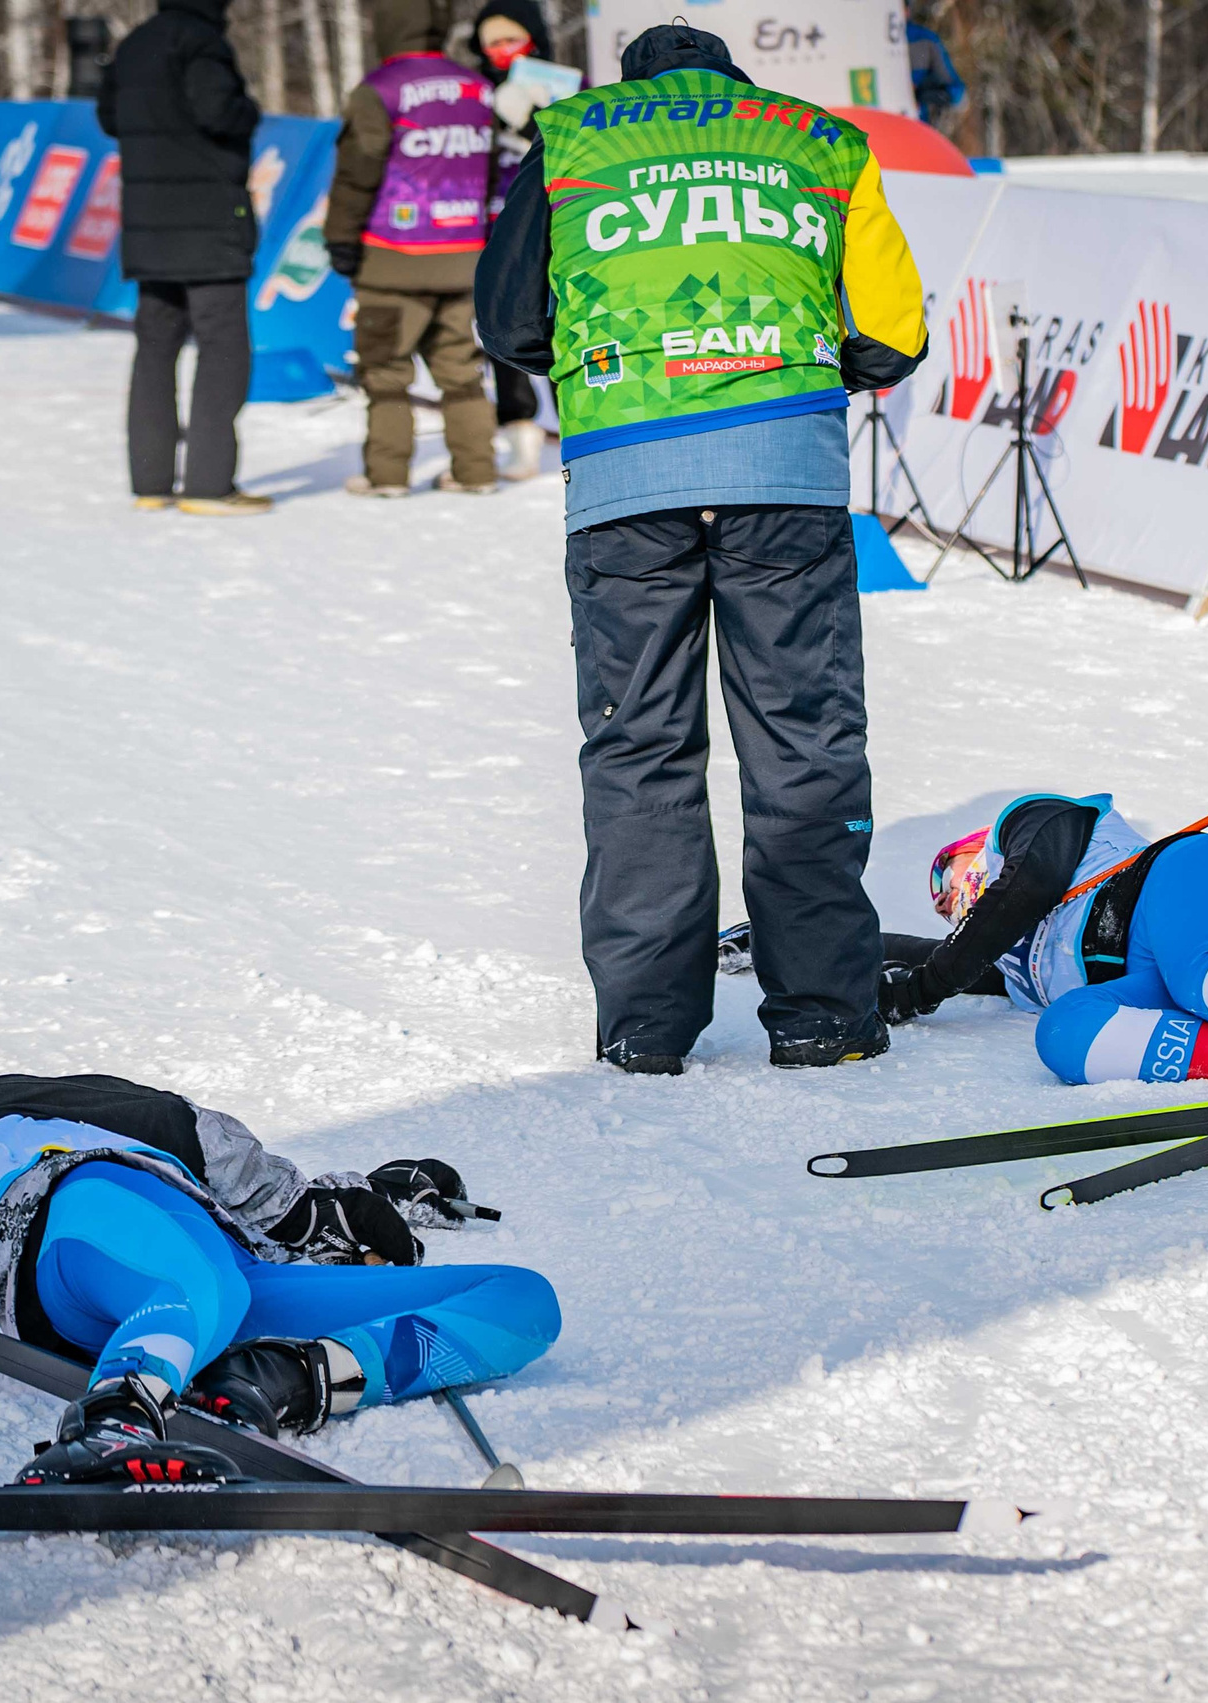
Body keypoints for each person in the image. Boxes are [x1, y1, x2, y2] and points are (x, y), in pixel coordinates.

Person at [475, 23, 930, 1075]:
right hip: (783, 476)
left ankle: (646, 1025)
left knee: (638, 746)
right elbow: (891, 331)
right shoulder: (817, 139)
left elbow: (507, 321)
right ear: (732, 79)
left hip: (626, 477)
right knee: (801, 741)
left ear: (633, 85)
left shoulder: (571, 134)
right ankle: (823, 1012)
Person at [0, 1072, 560, 1483]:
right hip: (78, 1223)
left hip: (223, 1292)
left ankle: (287, 1377)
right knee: (201, 1286)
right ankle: (116, 1415)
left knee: (526, 1300)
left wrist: (371, 1200)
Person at [730, 792, 1208, 1086]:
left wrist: (925, 988)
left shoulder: (1029, 830)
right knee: (1065, 1036)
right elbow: (932, 954)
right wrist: (783, 936)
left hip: (1187, 881)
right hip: (1141, 975)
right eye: (944, 903)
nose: (954, 899)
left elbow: (1016, 895)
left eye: (955, 877)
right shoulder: (1015, 960)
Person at [98, 0, 272, 517]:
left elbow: (108, 116)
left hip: (149, 222)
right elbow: (218, 110)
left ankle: (151, 481)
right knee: (223, 348)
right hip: (208, 220)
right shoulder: (200, 42)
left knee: (155, 345)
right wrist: (251, 109)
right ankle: (209, 484)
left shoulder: (136, 42)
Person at [324, 0, 502, 497]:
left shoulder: (379, 88)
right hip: (464, 257)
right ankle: (476, 471)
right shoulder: (477, 87)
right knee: (462, 373)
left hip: (391, 259)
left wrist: (340, 238)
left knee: (385, 372)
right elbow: (487, 173)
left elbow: (356, 173)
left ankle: (387, 475)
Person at [473, 0, 560, 480]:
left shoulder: (568, 84)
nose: (501, 51)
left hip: (559, 221)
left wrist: (531, 121)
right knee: (503, 326)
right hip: (498, 223)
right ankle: (521, 435)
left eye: (510, 39)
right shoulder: (474, 92)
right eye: (491, 43)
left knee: (565, 324)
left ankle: (577, 426)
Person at [905, 7, 966, 131]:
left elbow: (956, 93)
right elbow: (957, 95)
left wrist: (924, 94)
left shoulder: (924, 40)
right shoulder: (925, 39)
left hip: (914, 127)